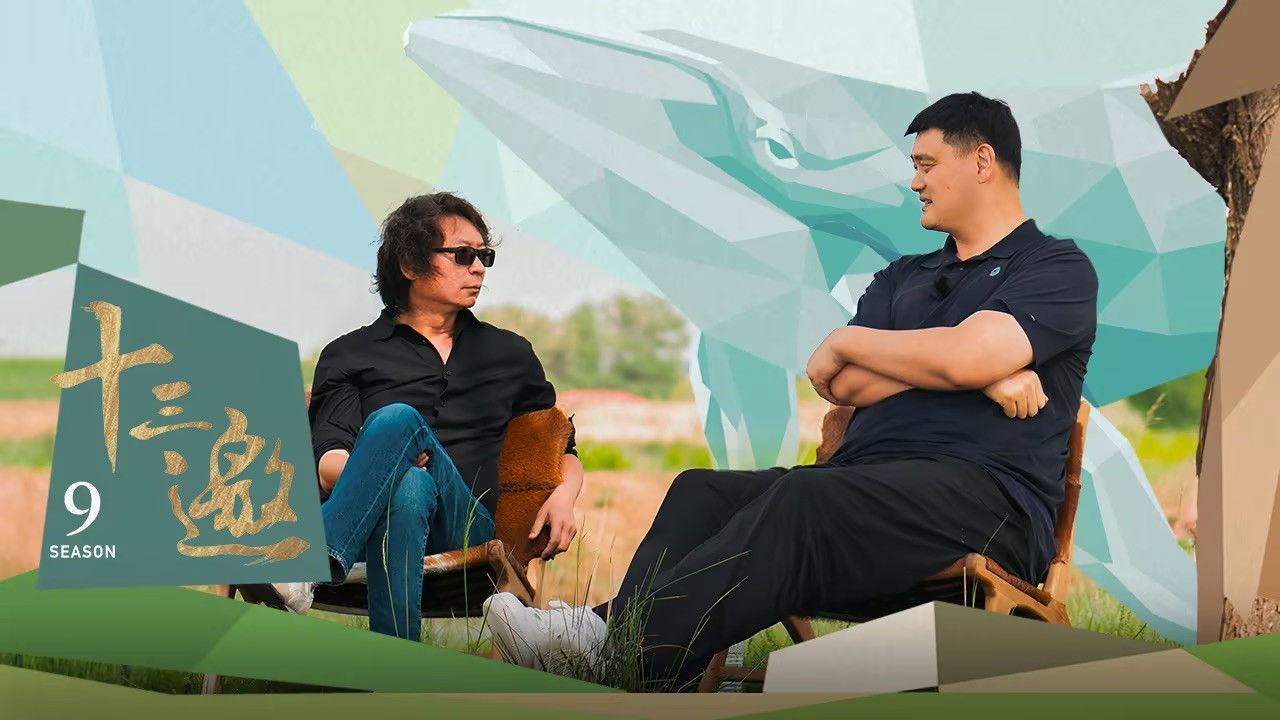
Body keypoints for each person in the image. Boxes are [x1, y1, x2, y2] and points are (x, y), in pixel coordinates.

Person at [483, 92, 1098, 690]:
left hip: (987, 504)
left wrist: (865, 342)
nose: (915, 182)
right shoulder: (904, 276)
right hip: (864, 489)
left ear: (983, 161)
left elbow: (952, 357)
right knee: (700, 490)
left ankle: (609, 645)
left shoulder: (1055, 268)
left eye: (927, 164)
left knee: (808, 495)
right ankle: (653, 668)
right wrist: (975, 371)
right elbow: (843, 381)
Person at [256, 192, 583, 641]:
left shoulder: (510, 353)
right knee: (410, 480)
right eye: (462, 255)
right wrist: (387, 468)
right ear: (410, 264)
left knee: (399, 420)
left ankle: (308, 564)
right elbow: (329, 459)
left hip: (464, 529)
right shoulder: (350, 354)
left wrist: (565, 496)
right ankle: (397, 670)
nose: (479, 268)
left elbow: (559, 444)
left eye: (484, 256)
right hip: (371, 525)